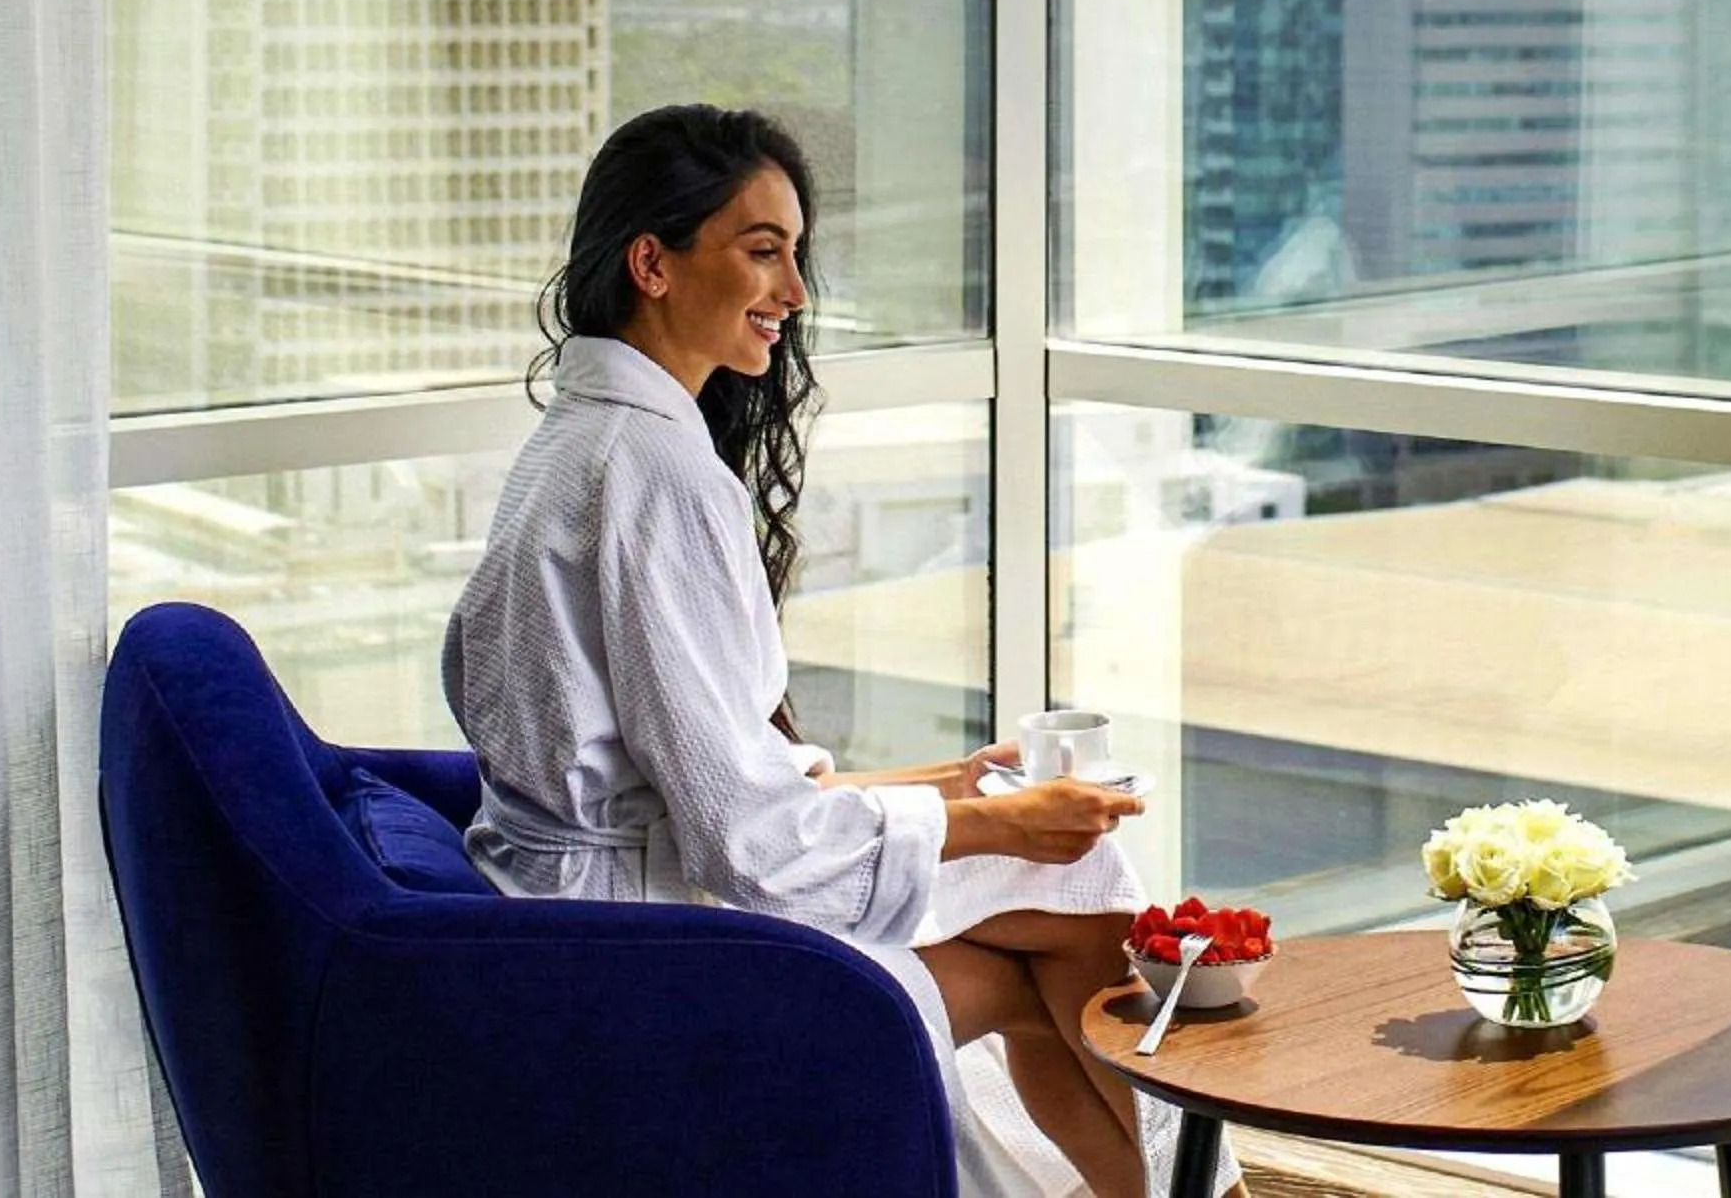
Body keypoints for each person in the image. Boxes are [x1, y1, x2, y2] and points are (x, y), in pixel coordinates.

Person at [443, 104, 1238, 1198]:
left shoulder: (582, 442)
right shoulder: (652, 474)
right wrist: (993, 821)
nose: (796, 294)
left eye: (797, 255)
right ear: (653, 263)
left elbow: (689, 776)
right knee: (1067, 934)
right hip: (632, 955)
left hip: (587, 910)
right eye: (762, 251)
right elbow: (743, 839)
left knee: (1066, 918)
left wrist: (945, 785)